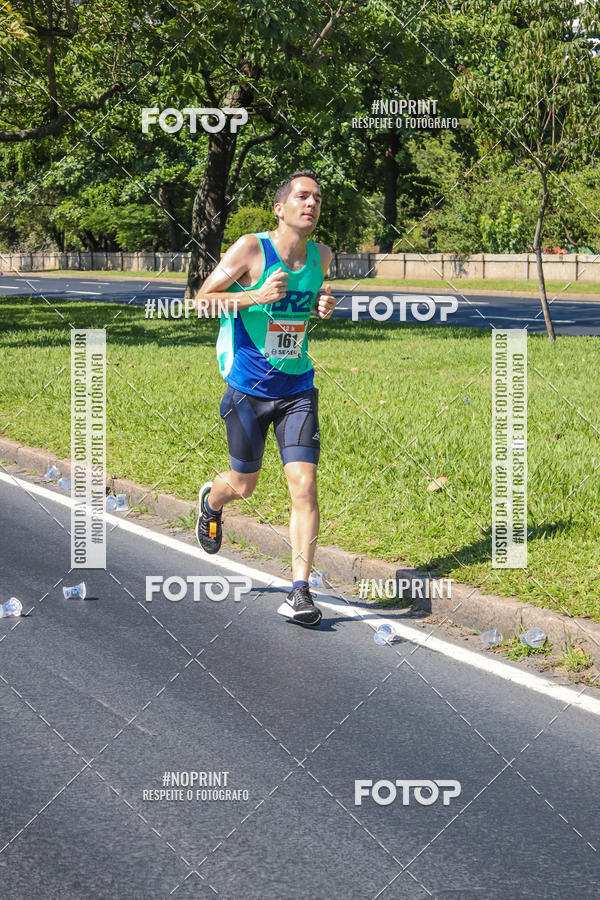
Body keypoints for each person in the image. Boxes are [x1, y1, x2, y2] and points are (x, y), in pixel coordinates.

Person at [193, 170, 335, 627]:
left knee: (304, 484)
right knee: (243, 484)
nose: (310, 203)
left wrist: (320, 308)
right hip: (247, 391)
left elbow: (303, 309)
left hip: (296, 388)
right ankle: (211, 504)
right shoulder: (252, 249)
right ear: (280, 208)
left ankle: (300, 592)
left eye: (316, 198)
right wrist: (253, 295)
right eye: (301, 196)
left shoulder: (322, 256)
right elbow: (201, 301)